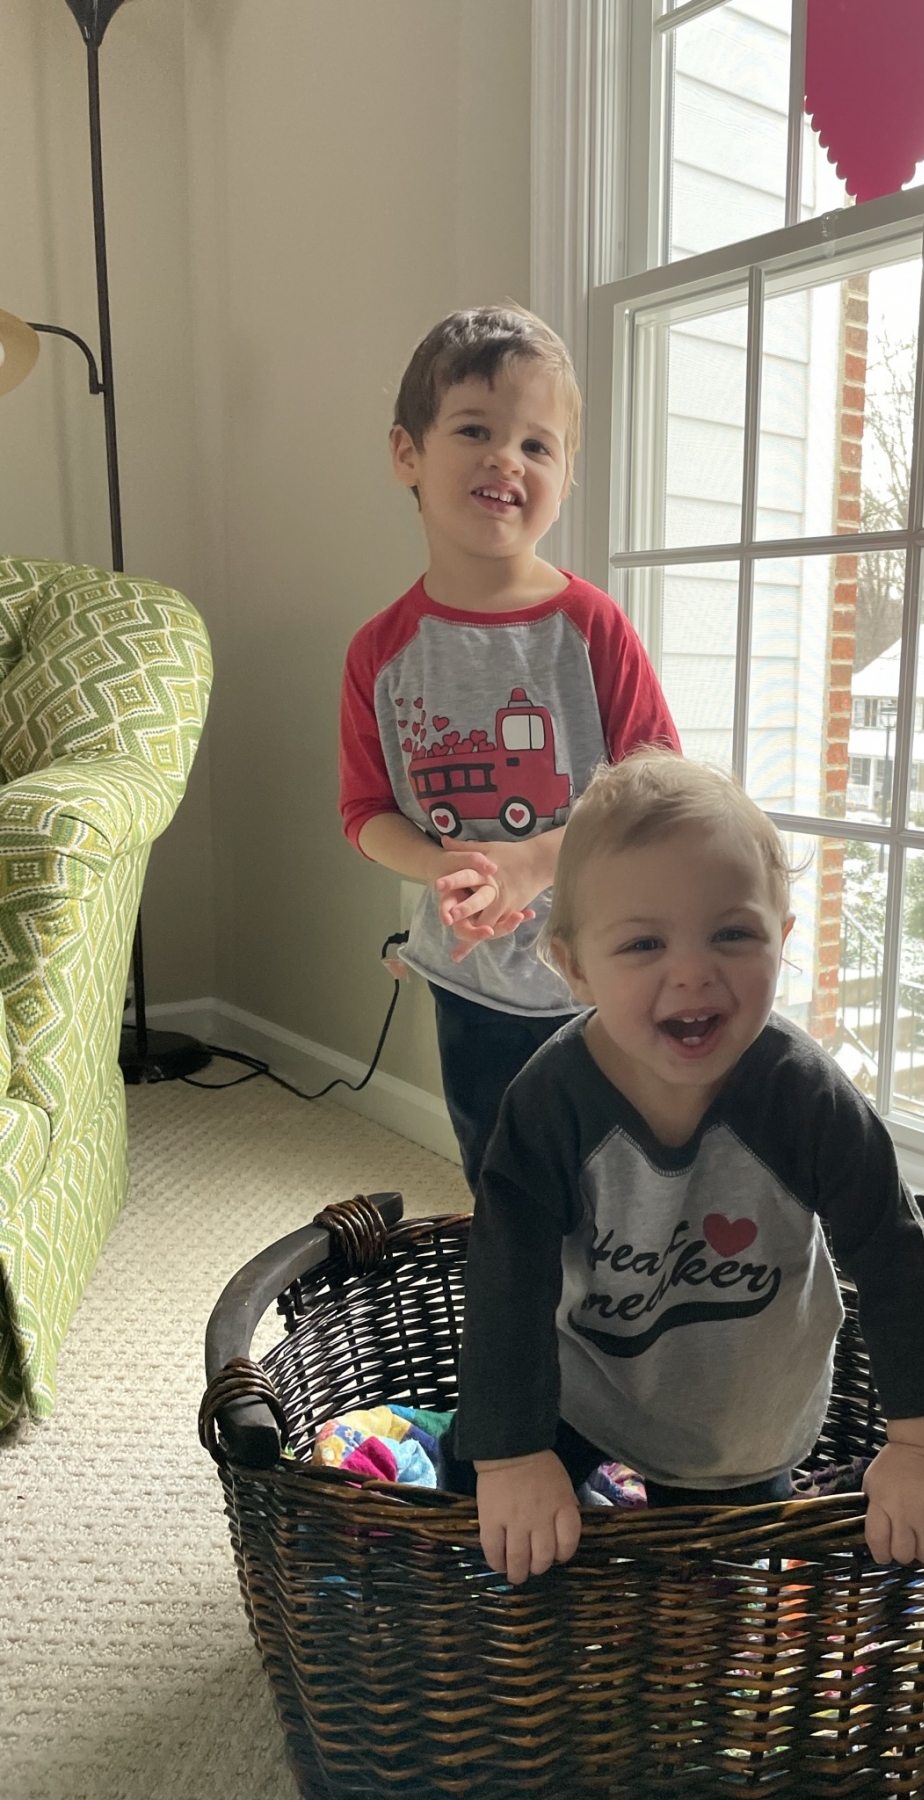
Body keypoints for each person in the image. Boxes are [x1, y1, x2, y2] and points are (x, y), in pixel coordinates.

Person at [446, 753, 924, 1586]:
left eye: (733, 934)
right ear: (574, 965)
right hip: (583, 1384)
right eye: (644, 943)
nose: (694, 972)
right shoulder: (549, 1102)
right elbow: (506, 1274)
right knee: (476, 1503)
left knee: (719, 1599)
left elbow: (892, 1250)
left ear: (783, 939)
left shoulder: (806, 1096)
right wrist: (511, 1455)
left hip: (739, 1417)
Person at [339, 307, 679, 1188]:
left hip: (606, 976)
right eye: (475, 431)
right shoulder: (381, 651)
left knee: (622, 1179)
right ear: (407, 453)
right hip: (470, 983)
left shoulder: (592, 627)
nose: (506, 459)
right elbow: (365, 813)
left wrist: (532, 862)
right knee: (499, 1174)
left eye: (537, 444)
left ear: (565, 480)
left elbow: (657, 794)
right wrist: (440, 865)